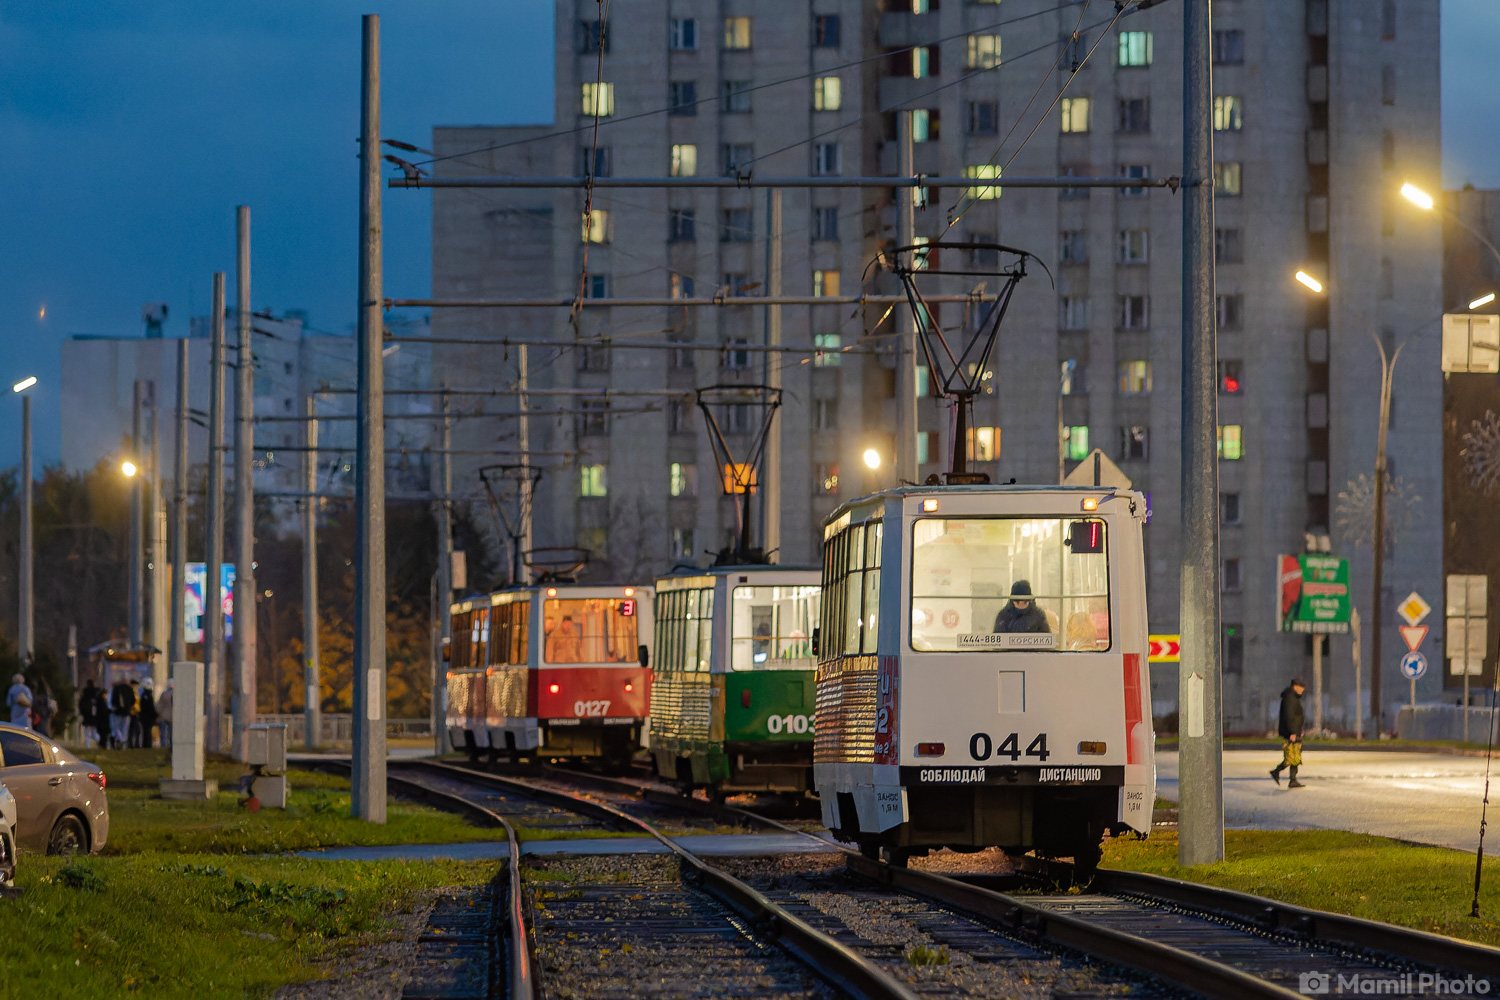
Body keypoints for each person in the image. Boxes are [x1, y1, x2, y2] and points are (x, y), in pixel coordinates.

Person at [1270, 678, 1307, 788]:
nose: (1303, 690)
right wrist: (1292, 732)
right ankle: (1278, 772)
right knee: (1292, 755)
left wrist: (1299, 730)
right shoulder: (1290, 698)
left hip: (1295, 731)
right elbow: (1289, 716)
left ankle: (1292, 779)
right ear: (1295, 686)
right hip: (1291, 732)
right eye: (1301, 687)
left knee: (1295, 755)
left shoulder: (1292, 697)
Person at [109, 676, 137, 749]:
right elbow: (133, 700)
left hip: (118, 712)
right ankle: (123, 743)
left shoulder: (116, 689)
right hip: (127, 712)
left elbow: (113, 701)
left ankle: (120, 740)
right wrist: (129, 707)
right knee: (125, 729)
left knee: (117, 728)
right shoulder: (130, 689)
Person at [77, 679, 101, 747]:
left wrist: (82, 712)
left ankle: (88, 745)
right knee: (94, 731)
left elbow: (81, 704)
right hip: (94, 717)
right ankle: (98, 740)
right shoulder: (96, 695)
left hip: (87, 716)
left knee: (87, 732)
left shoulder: (85, 694)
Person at [138, 679, 158, 749]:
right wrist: (155, 715)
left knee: (146, 732)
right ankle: (147, 745)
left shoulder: (143, 695)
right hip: (148, 717)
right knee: (147, 732)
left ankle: (146, 745)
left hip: (144, 717)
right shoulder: (147, 695)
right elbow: (150, 707)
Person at [156, 678, 174, 749]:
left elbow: (159, 705)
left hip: (164, 715)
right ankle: (172, 745)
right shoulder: (177, 694)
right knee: (171, 733)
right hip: (173, 716)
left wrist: (158, 714)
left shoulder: (164, 694)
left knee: (163, 732)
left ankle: (163, 745)